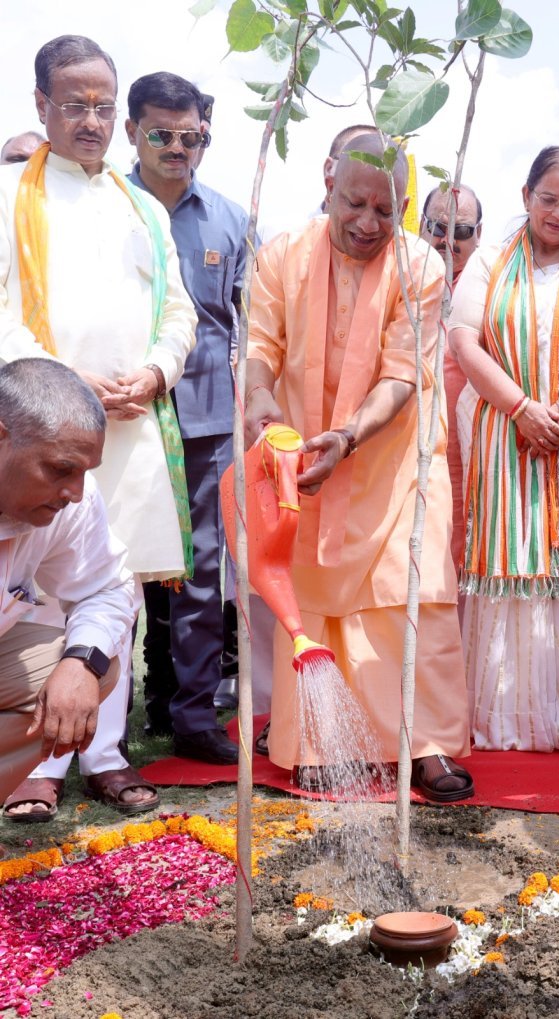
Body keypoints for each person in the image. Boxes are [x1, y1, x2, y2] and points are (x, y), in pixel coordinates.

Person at [0, 35, 196, 818]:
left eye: (103, 106)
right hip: (39, 429)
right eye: (74, 104)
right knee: (39, 585)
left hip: (133, 420)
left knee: (116, 586)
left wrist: (153, 372)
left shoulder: (142, 204)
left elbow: (179, 310)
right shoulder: (12, 193)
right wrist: (65, 383)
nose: (91, 120)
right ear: (40, 104)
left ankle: (106, 753)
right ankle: (39, 768)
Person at [244, 133, 473, 801]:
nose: (369, 224)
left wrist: (345, 438)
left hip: (394, 461)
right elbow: (261, 344)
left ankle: (425, 748)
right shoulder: (282, 253)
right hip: (302, 456)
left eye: (386, 209)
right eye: (355, 203)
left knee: (414, 594)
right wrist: (260, 403)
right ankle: (317, 744)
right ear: (328, 180)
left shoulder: (421, 266)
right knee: (313, 599)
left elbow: (404, 376)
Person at [449, 146, 559, 754]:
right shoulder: (493, 258)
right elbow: (465, 340)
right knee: (507, 566)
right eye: (548, 198)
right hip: (504, 435)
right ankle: (504, 719)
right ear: (526, 197)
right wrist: (522, 410)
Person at [126, 71, 247, 764]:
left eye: (191, 134)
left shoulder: (230, 220)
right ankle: (95, 737)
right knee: (106, 573)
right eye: (160, 134)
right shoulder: (110, 208)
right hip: (119, 417)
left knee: (203, 581)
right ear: (132, 132)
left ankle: (196, 718)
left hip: (206, 427)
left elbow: (249, 328)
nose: (178, 147)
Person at [0, 359, 135, 811]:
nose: (76, 491)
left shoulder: (73, 499)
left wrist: (82, 662)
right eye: (61, 469)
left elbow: (106, 588)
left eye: (84, 471)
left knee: (98, 667)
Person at [419, 184, 482, 576]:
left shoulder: (490, 289)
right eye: (438, 227)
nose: (448, 241)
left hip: (468, 453)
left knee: (459, 564)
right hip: (408, 452)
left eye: (461, 232)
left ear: (479, 235)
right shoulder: (402, 278)